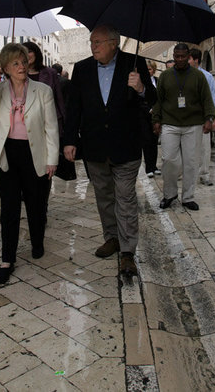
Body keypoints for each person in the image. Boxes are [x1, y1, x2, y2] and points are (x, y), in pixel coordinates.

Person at [64, 25, 156, 276]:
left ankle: (128, 252)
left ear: (114, 43)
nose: (93, 46)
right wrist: (70, 140)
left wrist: (141, 89)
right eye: (91, 42)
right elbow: (74, 109)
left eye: (98, 42)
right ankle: (112, 238)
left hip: (126, 145)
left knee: (125, 198)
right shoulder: (81, 69)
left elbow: (153, 101)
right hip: (94, 146)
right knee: (104, 197)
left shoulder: (134, 64)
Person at [0, 43, 58, 285]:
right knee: (9, 208)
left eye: (23, 61)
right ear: (4, 67)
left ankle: (37, 241)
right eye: (15, 63)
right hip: (6, 155)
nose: (22, 66)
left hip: (34, 153)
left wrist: (51, 160)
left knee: (36, 204)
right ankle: (7, 259)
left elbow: (51, 128)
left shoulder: (42, 90)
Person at [152, 43, 215, 212]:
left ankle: (188, 197)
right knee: (169, 160)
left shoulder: (198, 76)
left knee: (191, 162)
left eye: (182, 56)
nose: (179, 59)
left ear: (188, 57)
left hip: (193, 124)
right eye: (177, 56)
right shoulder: (165, 76)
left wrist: (209, 118)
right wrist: (156, 120)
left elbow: (206, 98)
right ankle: (170, 194)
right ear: (173, 55)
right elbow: (158, 100)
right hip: (170, 123)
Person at [23, 42, 74, 182]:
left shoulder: (50, 73)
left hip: (47, 124)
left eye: (30, 51)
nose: (27, 55)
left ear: (36, 53)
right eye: (23, 52)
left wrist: (64, 126)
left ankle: (41, 194)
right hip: (25, 125)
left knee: (45, 164)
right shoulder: (18, 74)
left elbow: (59, 100)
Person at [188, 48, 215, 186]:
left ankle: (204, 174)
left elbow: (214, 98)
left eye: (188, 58)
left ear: (196, 60)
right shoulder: (182, 76)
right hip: (186, 117)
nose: (186, 61)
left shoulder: (207, 77)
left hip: (202, 118)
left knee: (204, 148)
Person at [142, 60, 161, 177]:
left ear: (153, 70)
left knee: (154, 140)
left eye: (149, 69)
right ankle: (148, 167)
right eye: (146, 69)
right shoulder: (141, 83)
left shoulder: (158, 81)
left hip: (156, 116)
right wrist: (148, 109)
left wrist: (157, 110)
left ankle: (154, 166)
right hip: (145, 116)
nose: (148, 71)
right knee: (147, 141)